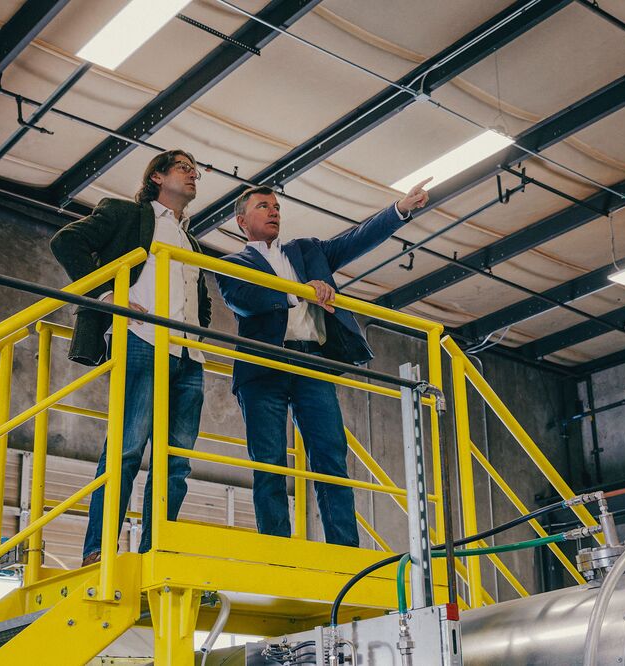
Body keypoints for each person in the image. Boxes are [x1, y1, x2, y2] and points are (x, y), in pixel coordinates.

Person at [215, 179, 431, 546]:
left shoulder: (307, 251)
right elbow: (244, 300)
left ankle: (345, 551)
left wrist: (401, 209)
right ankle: (277, 550)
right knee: (269, 464)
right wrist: (301, 291)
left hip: (311, 363)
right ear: (241, 221)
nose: (273, 212)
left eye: (277, 208)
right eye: (263, 207)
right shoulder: (230, 263)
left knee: (331, 458)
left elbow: (355, 240)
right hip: (263, 371)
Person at [50, 149, 211, 563]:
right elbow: (67, 241)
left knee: (176, 465)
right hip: (142, 341)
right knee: (126, 451)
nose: (193, 176)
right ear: (157, 176)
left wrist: (198, 332)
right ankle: (98, 551)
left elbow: (201, 301)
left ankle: (153, 551)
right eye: (183, 168)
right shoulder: (127, 214)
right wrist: (109, 296)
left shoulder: (191, 241)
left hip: (189, 357)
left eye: (196, 171)